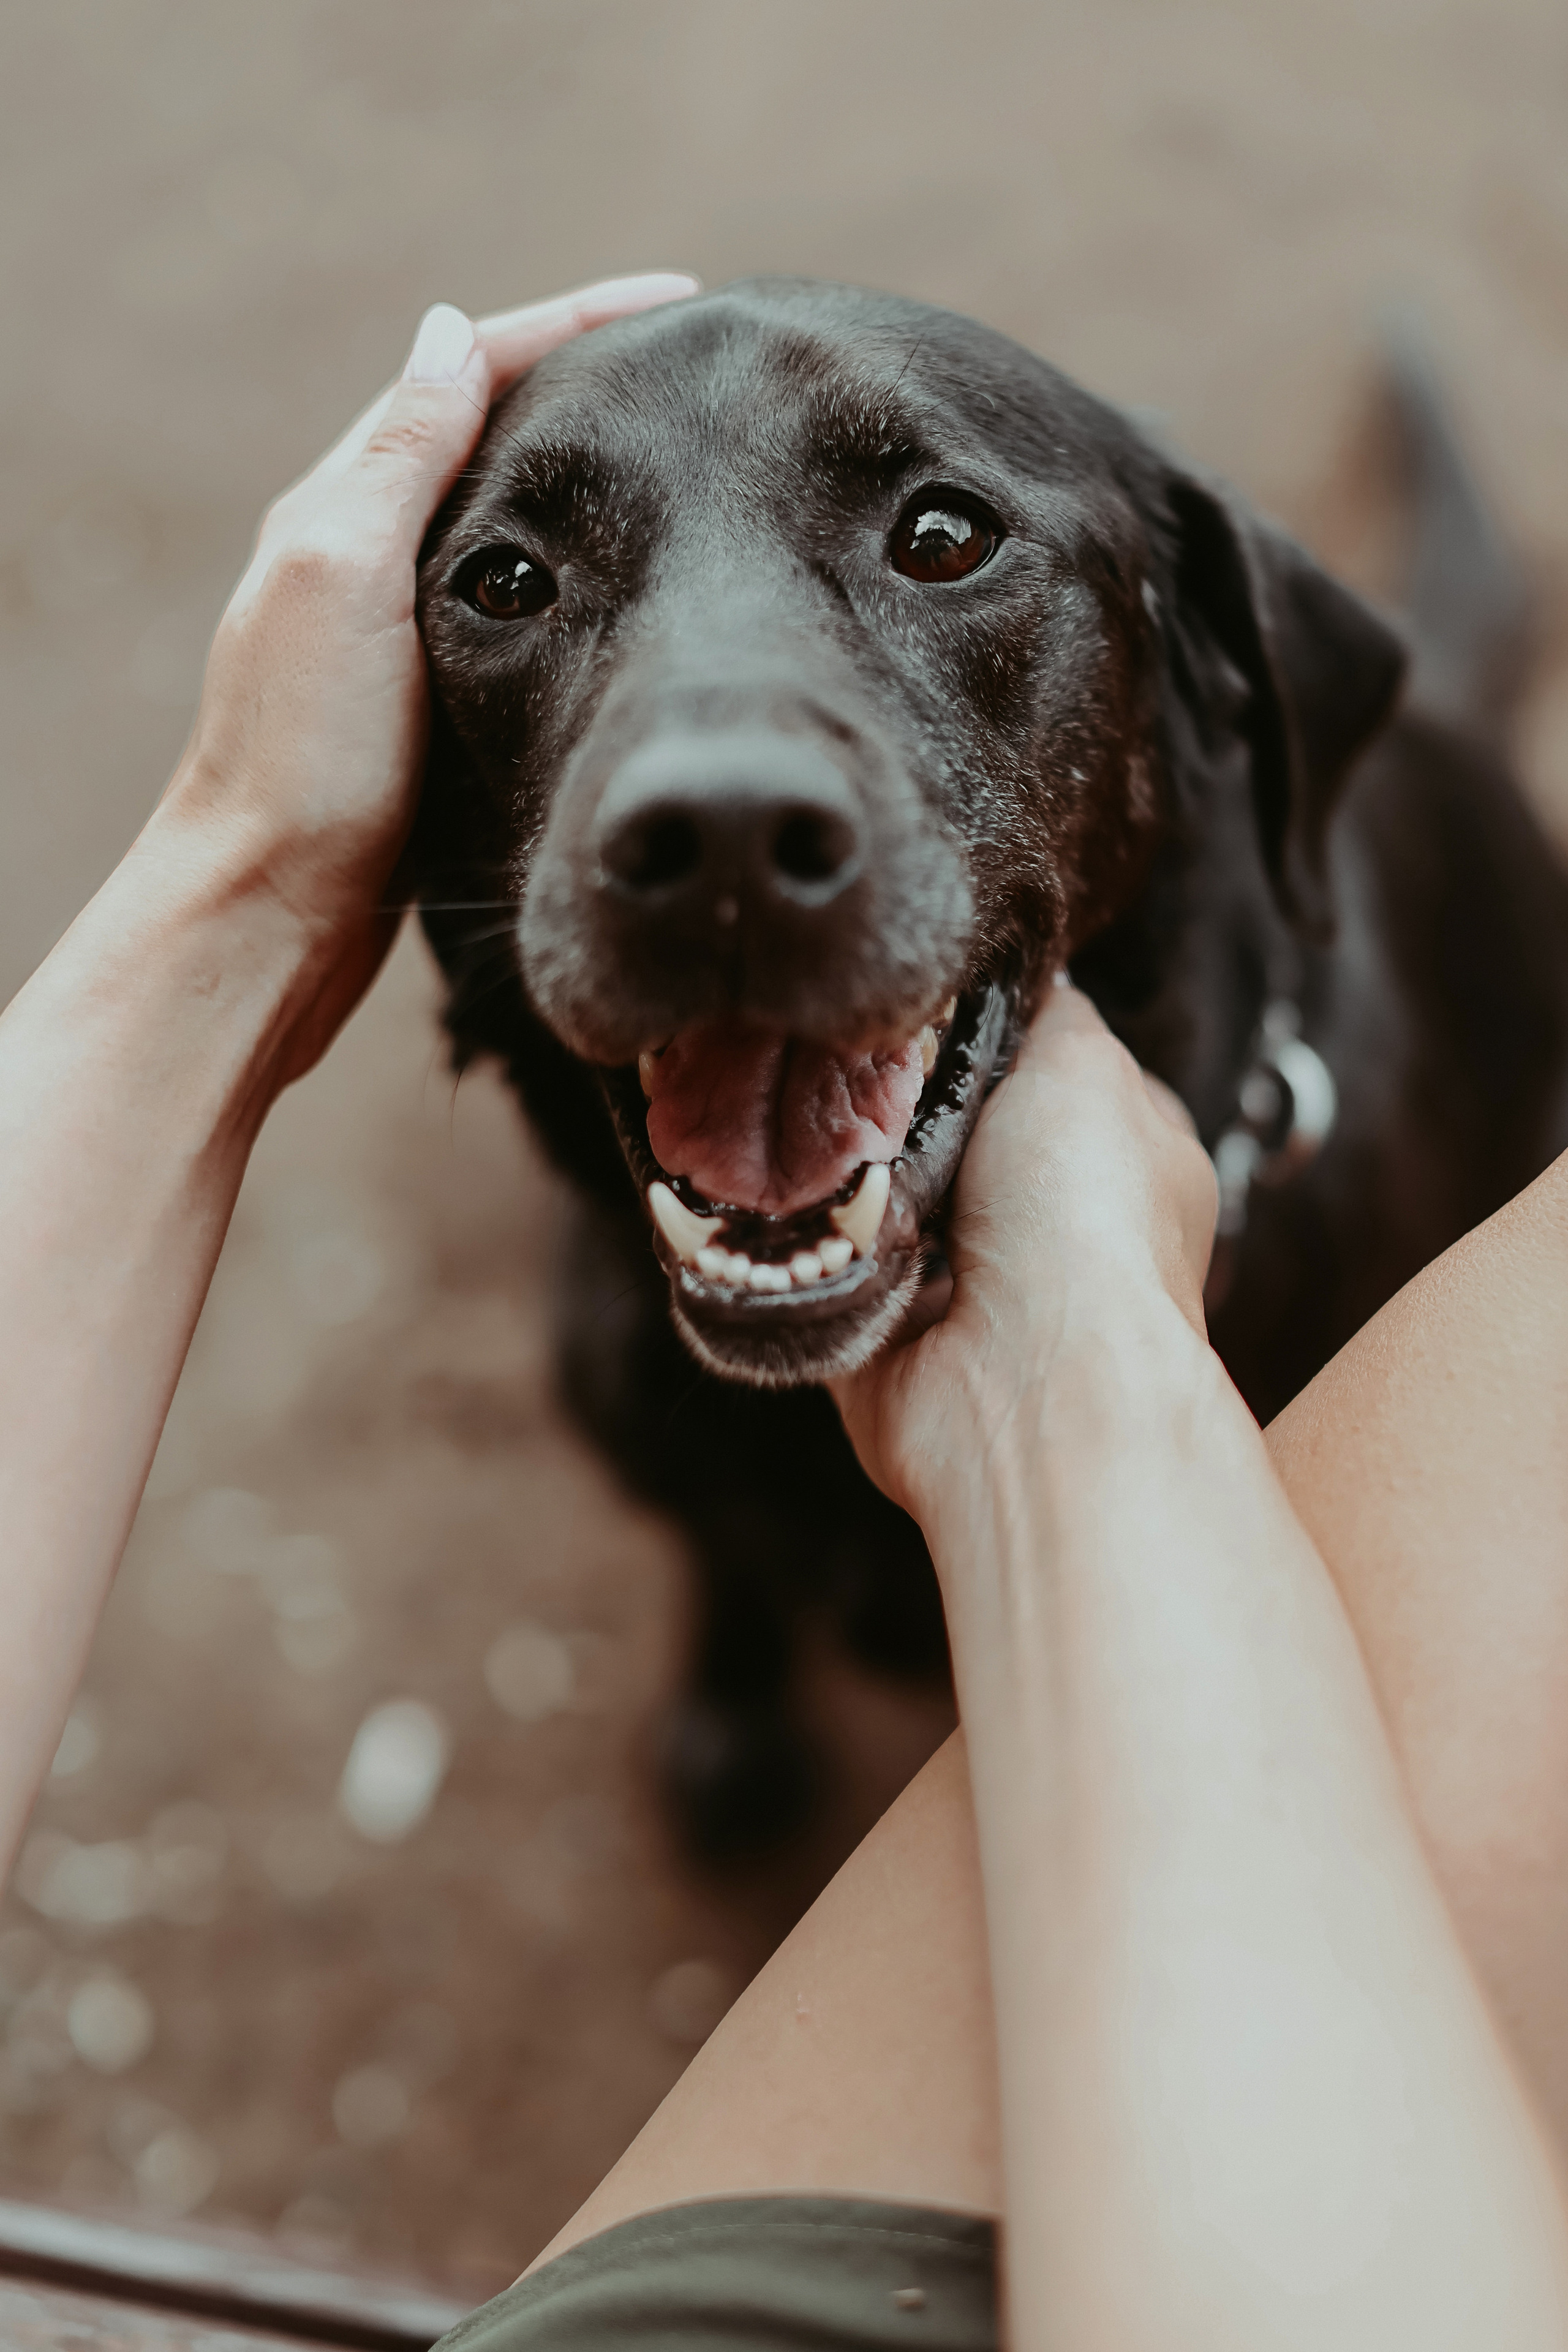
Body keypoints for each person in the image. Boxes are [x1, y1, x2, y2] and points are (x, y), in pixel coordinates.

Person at [2, 282, 1567, 2352]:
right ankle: (749, 1640)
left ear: (1208, 678)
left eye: (943, 538)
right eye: (511, 585)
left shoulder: (1389, 1214)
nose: (708, 768)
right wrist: (248, 861)